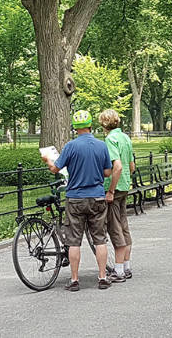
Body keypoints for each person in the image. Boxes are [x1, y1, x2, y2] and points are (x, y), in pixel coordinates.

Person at [42, 110, 113, 291]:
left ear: (75, 127)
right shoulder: (101, 145)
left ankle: (74, 280)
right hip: (97, 196)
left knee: (74, 240)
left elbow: (55, 169)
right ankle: (103, 277)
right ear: (91, 125)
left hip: (75, 198)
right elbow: (107, 172)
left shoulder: (70, 146)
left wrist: (47, 160)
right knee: (99, 239)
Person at [99, 109, 135, 282]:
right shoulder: (126, 138)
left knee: (114, 227)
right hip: (125, 185)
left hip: (115, 187)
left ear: (104, 124)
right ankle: (126, 266)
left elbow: (118, 166)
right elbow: (131, 166)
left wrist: (111, 190)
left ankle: (118, 270)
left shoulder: (110, 139)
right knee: (123, 224)